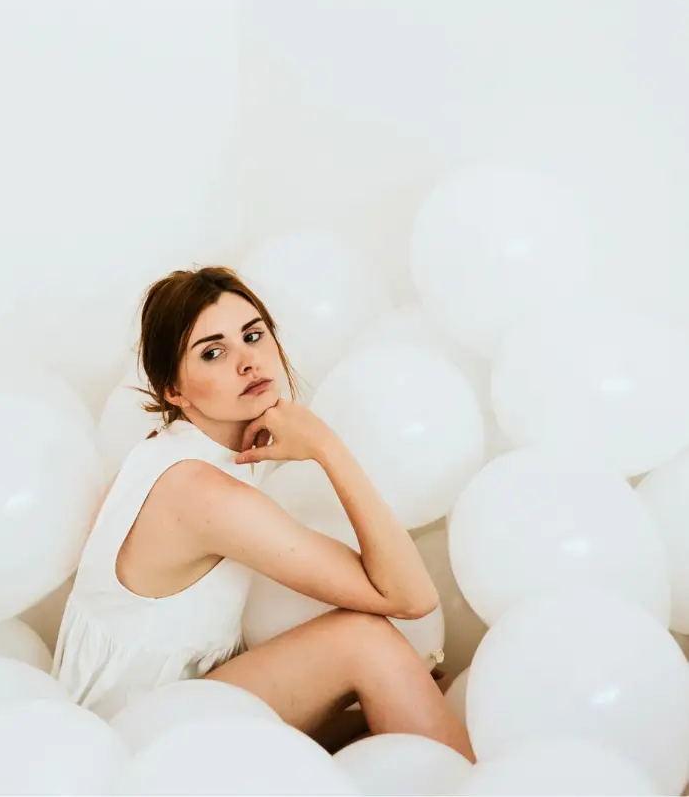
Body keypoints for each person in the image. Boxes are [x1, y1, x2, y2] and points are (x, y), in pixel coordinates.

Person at [52, 266, 474, 760]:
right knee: (368, 642)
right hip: (129, 749)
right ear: (174, 391)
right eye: (213, 352)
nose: (248, 361)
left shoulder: (168, 452)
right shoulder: (202, 493)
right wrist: (326, 446)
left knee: (397, 697)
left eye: (253, 335)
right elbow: (410, 596)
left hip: (153, 717)